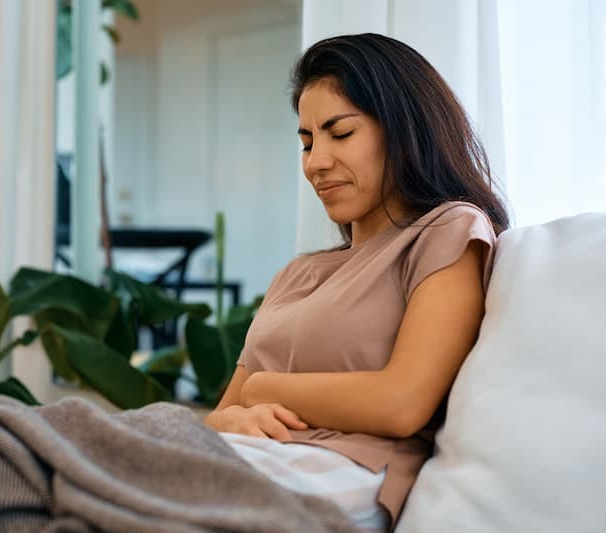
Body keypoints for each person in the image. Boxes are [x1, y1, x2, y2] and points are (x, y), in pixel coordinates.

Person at [203, 33, 509, 532]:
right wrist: (228, 421)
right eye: (306, 143)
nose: (315, 163)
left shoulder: (447, 231)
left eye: (339, 134)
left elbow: (402, 404)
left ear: (404, 130)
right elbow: (222, 412)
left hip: (342, 473)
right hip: (244, 457)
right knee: (39, 456)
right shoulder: (297, 274)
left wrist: (260, 388)